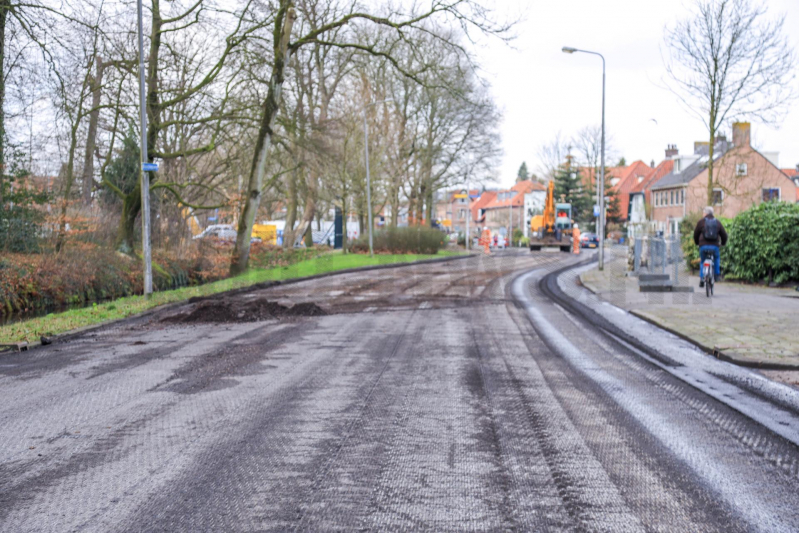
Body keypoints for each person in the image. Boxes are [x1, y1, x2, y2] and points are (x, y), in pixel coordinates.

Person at [693, 206, 728, 288]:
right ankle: (716, 275)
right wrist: (723, 243)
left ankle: (702, 278)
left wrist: (697, 242)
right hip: (715, 246)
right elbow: (724, 235)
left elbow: (696, 234)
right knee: (716, 258)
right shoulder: (717, 222)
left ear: (705, 213)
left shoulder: (701, 222)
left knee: (703, 261)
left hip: (703, 246)